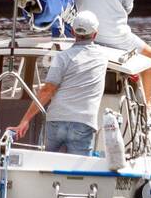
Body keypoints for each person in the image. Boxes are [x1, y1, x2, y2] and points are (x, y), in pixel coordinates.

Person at [12, 10, 107, 155]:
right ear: (95, 34)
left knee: (47, 165)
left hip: (56, 120)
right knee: (76, 173)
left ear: (73, 32)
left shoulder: (61, 58)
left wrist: (24, 121)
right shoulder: (103, 57)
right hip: (83, 122)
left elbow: (47, 90)